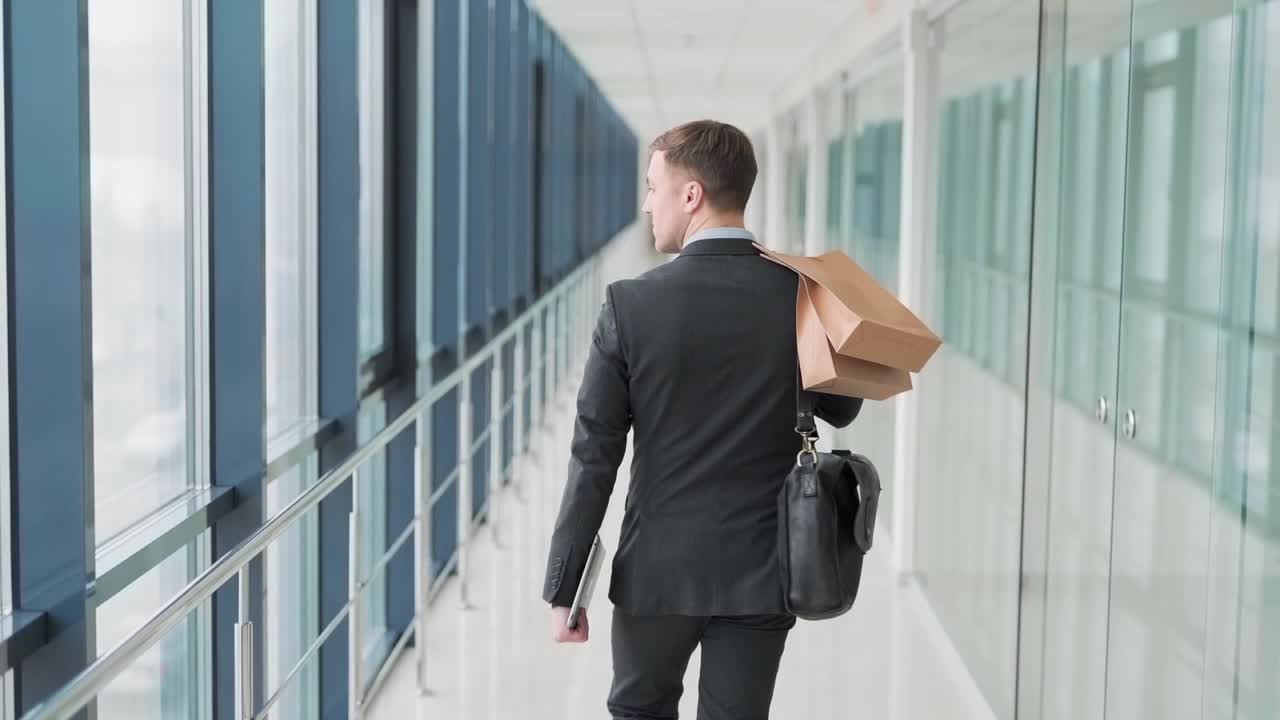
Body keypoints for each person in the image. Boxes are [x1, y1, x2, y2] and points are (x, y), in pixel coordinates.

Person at [542, 120, 862, 720]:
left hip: (657, 573)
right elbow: (842, 407)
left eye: (652, 186)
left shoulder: (629, 305)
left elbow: (594, 456)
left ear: (691, 196)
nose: (646, 204)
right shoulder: (804, 296)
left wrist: (564, 588)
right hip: (763, 569)